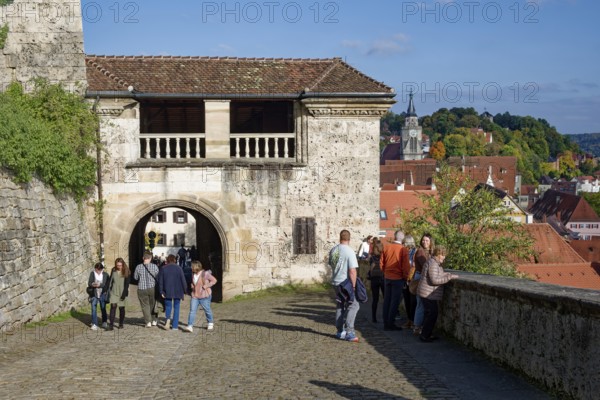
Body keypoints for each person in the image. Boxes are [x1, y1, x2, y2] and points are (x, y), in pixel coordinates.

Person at [417, 246, 459, 342]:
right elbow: (435, 280)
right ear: (439, 254)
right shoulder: (433, 264)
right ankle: (425, 335)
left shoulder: (434, 263)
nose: (444, 257)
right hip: (428, 294)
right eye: (443, 255)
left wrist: (448, 274)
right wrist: (449, 278)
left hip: (427, 293)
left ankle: (426, 334)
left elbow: (438, 274)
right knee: (432, 314)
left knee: (430, 314)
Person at [329, 229, 360, 343]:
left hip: (335, 281)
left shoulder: (333, 250)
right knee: (354, 305)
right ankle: (350, 332)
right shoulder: (349, 251)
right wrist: (354, 285)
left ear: (340, 238)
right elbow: (352, 270)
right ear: (349, 238)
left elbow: (331, 265)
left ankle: (339, 331)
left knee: (340, 304)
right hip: (345, 282)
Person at [380, 230, 410, 331]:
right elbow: (406, 267)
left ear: (394, 237)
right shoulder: (403, 249)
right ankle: (390, 323)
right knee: (394, 302)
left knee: (387, 301)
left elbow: (381, 263)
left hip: (387, 277)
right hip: (398, 278)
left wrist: (386, 272)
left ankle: (385, 323)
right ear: (403, 238)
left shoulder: (387, 247)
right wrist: (406, 278)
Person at [183, 261, 217, 333]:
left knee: (207, 309)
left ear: (196, 267)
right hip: (195, 295)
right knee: (192, 311)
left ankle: (210, 322)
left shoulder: (205, 274)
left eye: (192, 266)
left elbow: (214, 280)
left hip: (204, 295)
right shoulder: (193, 274)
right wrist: (192, 285)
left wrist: (206, 286)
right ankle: (190, 326)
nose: (191, 268)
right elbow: (194, 282)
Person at [158, 254, 188, 331]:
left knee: (168, 306)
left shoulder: (163, 268)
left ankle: (168, 320)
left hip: (167, 291)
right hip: (178, 290)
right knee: (176, 307)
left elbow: (160, 281)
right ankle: (175, 326)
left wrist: (161, 291)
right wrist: (185, 290)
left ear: (167, 260)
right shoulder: (179, 268)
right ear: (175, 260)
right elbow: (183, 280)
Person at [412, 233, 434, 336]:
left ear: (430, 242)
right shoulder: (420, 252)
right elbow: (425, 265)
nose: (424, 242)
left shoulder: (431, 251)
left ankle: (420, 326)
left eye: (427, 241)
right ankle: (417, 326)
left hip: (425, 277)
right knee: (420, 302)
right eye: (423, 240)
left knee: (423, 303)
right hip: (420, 277)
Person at [134, 251, 160, 327]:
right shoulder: (154, 266)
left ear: (143, 258)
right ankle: (154, 320)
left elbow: (135, 278)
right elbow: (158, 277)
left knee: (145, 305)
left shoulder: (138, 267)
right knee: (153, 304)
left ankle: (148, 321)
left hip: (141, 288)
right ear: (150, 258)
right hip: (152, 288)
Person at [106, 258, 131, 330]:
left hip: (122, 292)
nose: (119, 267)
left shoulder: (127, 271)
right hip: (114, 291)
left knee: (121, 308)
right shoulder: (113, 270)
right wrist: (106, 289)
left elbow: (127, 284)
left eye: (120, 265)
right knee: (113, 306)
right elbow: (110, 280)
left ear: (123, 264)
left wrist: (124, 294)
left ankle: (121, 323)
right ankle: (111, 325)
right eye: (117, 265)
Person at [401, 235, 417, 329]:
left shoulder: (415, 252)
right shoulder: (404, 252)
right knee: (407, 300)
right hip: (405, 279)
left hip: (412, 280)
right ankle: (409, 320)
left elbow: (413, 266)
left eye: (404, 243)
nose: (402, 244)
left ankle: (413, 321)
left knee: (412, 301)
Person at [87, 262, 109, 330]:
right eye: (97, 270)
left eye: (99, 270)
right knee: (93, 308)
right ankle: (94, 324)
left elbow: (107, 284)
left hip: (103, 293)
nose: (98, 271)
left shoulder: (105, 274)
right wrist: (93, 284)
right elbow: (89, 283)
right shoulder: (92, 273)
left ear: (102, 269)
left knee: (103, 308)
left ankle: (104, 322)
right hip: (94, 293)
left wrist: (100, 285)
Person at [367, 238, 384, 323]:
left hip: (375, 279)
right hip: (382, 278)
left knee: (375, 299)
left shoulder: (372, 258)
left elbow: (370, 268)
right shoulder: (383, 256)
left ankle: (374, 317)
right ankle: (384, 316)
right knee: (384, 298)